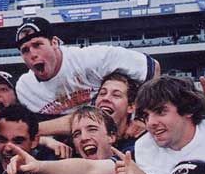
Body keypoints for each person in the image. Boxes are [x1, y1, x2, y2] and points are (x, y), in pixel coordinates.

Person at [13, 18, 159, 119]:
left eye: (38, 45)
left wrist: (141, 116)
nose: (32, 54)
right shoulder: (25, 88)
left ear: (55, 43)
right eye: (25, 50)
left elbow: (151, 68)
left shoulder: (92, 59)